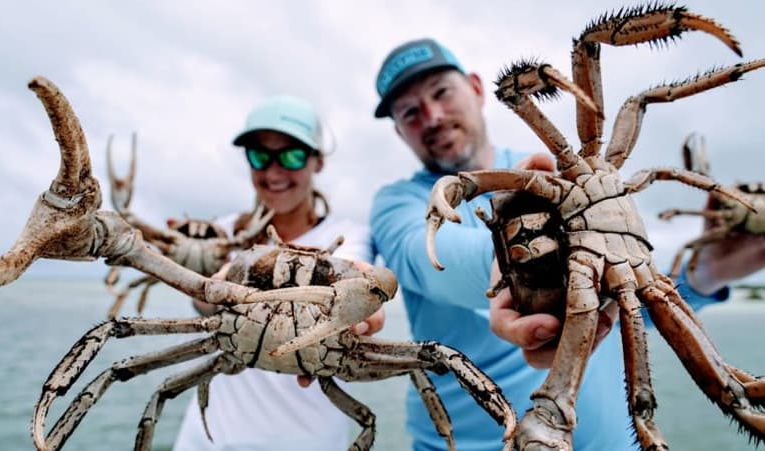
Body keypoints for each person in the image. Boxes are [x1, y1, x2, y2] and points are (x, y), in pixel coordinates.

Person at [369, 38, 765, 451]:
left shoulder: (558, 168)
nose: (432, 116)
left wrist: (713, 270)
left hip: (615, 439)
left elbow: (624, 307)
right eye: (410, 112)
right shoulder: (399, 202)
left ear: (474, 87)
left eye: (441, 93)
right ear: (399, 130)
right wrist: (524, 262)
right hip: (468, 443)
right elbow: (429, 259)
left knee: (734, 395)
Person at [173, 95, 376, 451]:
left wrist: (362, 306)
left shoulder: (346, 238)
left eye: (293, 155)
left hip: (308, 442)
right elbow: (202, 304)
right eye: (259, 155)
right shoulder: (221, 235)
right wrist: (205, 288)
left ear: (318, 161)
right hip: (207, 440)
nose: (274, 171)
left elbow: (358, 278)